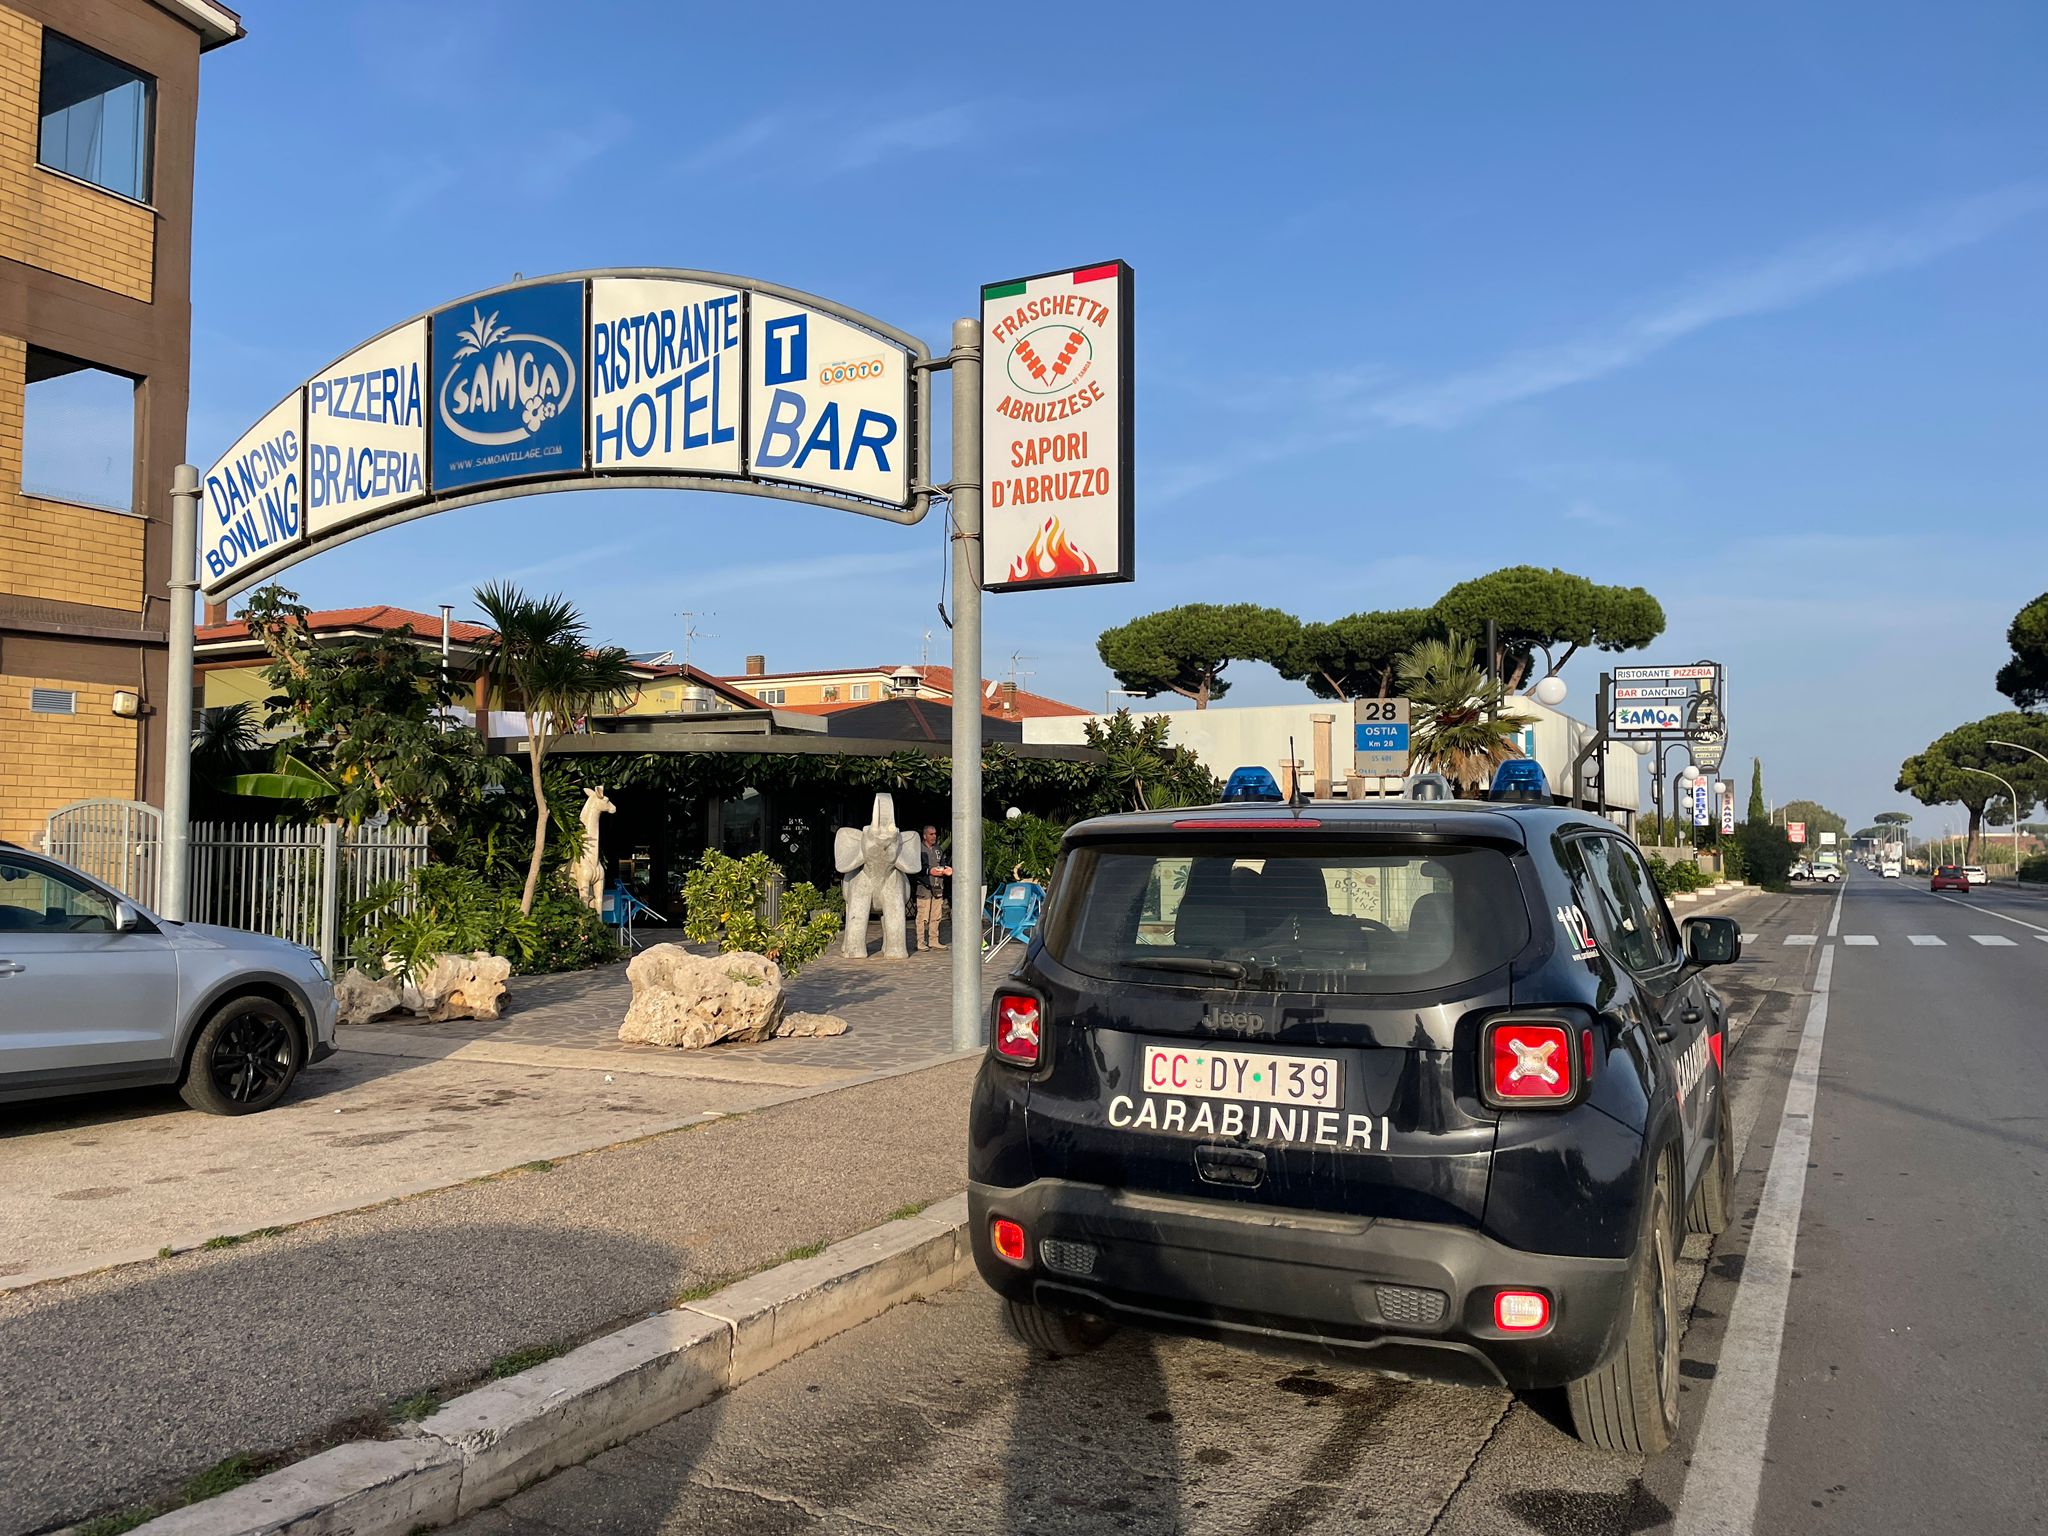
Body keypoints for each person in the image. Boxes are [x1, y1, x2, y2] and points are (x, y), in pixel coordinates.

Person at [914, 824, 952, 951]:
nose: (934, 836)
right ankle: (920, 941)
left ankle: (933, 940)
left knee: (936, 915)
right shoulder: (918, 849)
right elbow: (915, 868)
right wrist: (929, 871)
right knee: (922, 916)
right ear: (925, 836)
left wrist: (946, 869)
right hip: (924, 887)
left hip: (938, 886)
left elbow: (943, 863)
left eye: (935, 834)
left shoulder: (938, 849)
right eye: (931, 834)